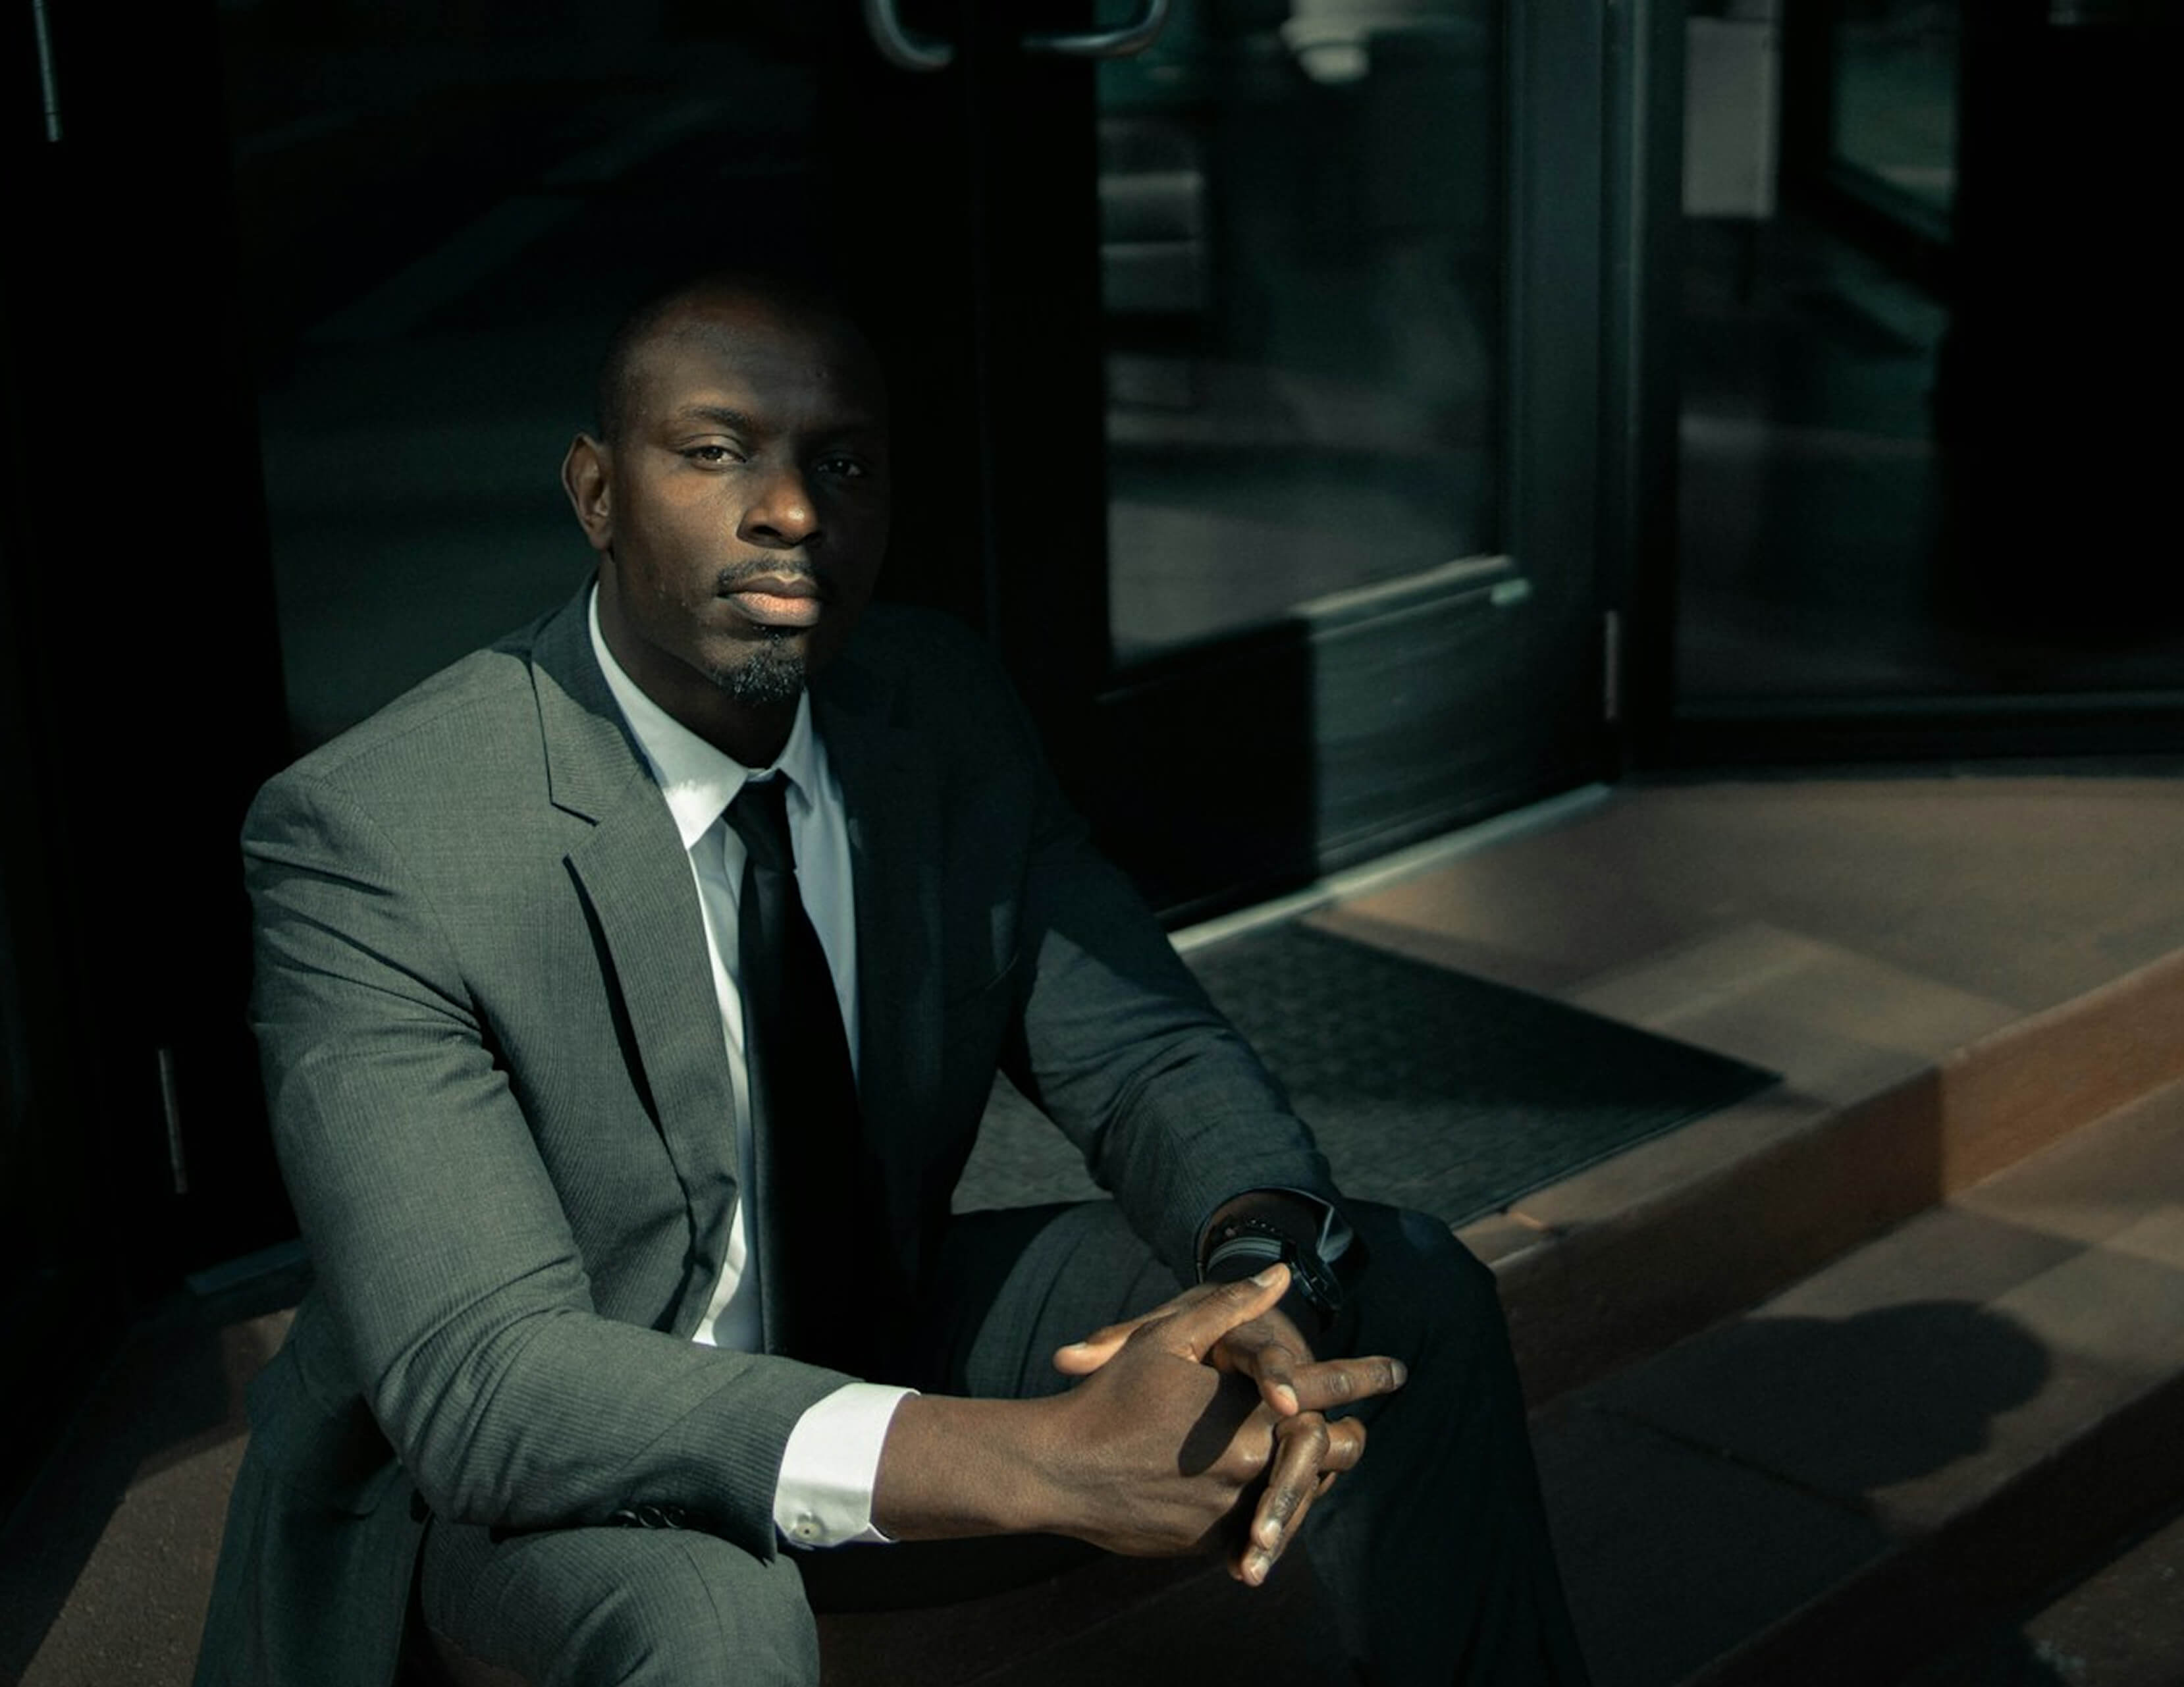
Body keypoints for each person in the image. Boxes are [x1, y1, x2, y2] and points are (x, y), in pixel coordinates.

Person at [194, 271, 1587, 1686]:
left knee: (1398, 1288)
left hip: (884, 1326)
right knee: (712, 1625)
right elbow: (492, 1383)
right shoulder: (380, 833)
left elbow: (1148, 1055)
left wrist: (1248, 1279)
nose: (794, 513)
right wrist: (1035, 1464)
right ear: (597, 492)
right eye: (718, 451)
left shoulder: (935, 708)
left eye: (842, 465)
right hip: (564, 1451)